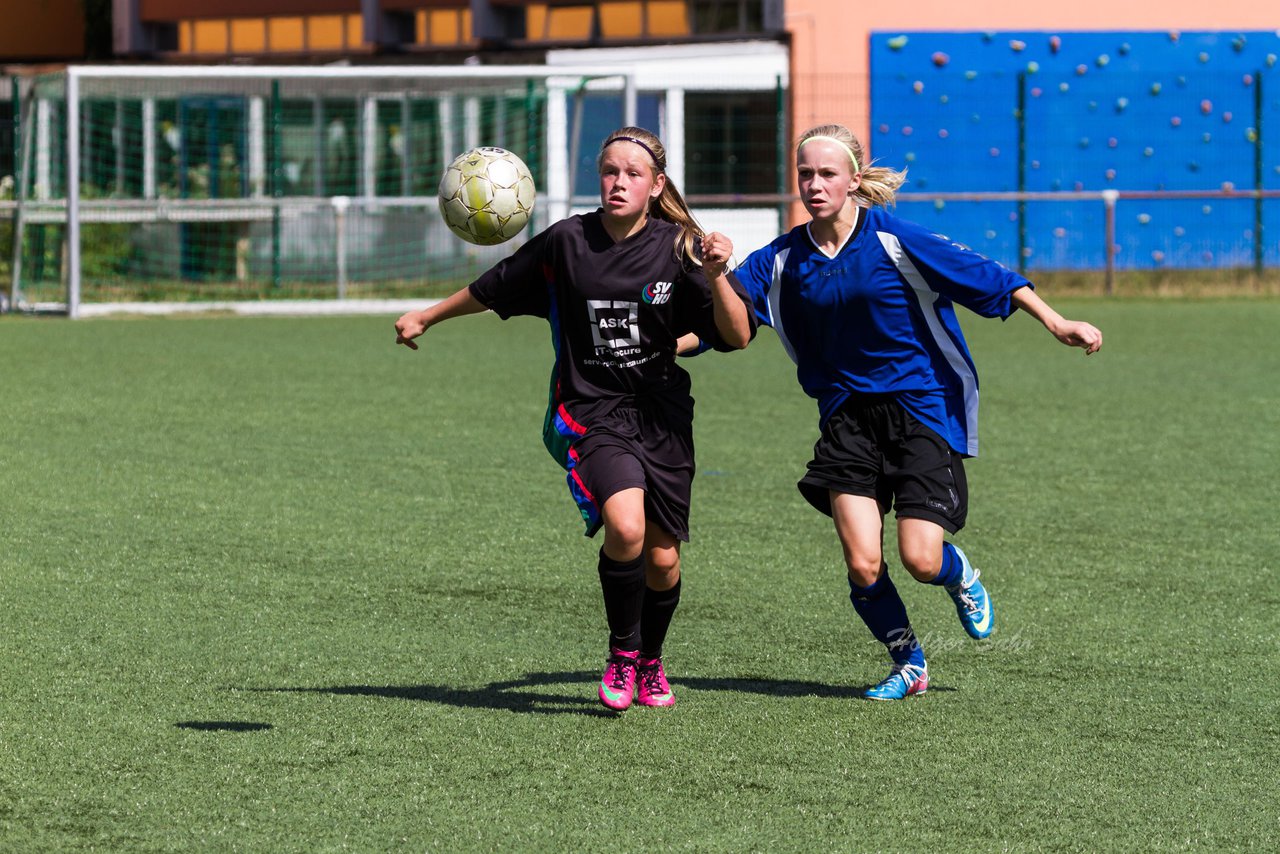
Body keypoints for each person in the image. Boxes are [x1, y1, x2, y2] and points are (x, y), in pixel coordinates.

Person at [708, 123, 1102, 700]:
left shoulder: (894, 237)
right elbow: (733, 329)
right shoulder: (783, 257)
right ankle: (909, 664)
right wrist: (714, 277)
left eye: (827, 174)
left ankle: (959, 573)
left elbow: (989, 277)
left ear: (855, 180)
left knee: (920, 557)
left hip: (920, 408)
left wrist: (1058, 321)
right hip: (845, 419)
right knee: (864, 565)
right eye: (805, 175)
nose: (814, 185)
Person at [395, 127, 755, 712]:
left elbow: (737, 336)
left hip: (662, 416)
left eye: (632, 174)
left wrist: (717, 274)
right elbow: (495, 288)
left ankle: (651, 663)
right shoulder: (568, 242)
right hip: (591, 410)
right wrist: (428, 317)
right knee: (627, 528)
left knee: (663, 561)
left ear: (656, 184)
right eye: (609, 171)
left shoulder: (681, 247)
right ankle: (622, 651)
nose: (618, 182)